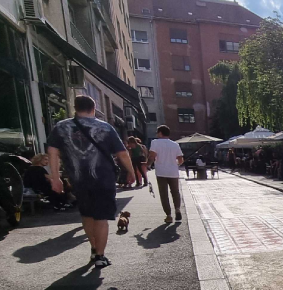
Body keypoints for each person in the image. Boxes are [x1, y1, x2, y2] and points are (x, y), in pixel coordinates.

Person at [46, 94, 134, 268]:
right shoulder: (106, 128)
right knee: (101, 217)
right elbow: (122, 153)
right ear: (93, 108)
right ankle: (100, 256)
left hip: (78, 179)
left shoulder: (61, 127)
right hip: (103, 179)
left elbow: (52, 152)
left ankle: (94, 248)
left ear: (75, 108)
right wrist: (131, 171)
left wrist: (55, 178)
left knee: (87, 215)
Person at [148, 125, 185, 224]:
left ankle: (168, 215)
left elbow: (152, 156)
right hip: (173, 171)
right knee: (175, 192)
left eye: (157, 132)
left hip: (161, 172)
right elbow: (181, 159)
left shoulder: (155, 142)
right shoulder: (175, 144)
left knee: (164, 194)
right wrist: (174, 164)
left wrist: (147, 165)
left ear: (160, 133)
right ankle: (177, 209)